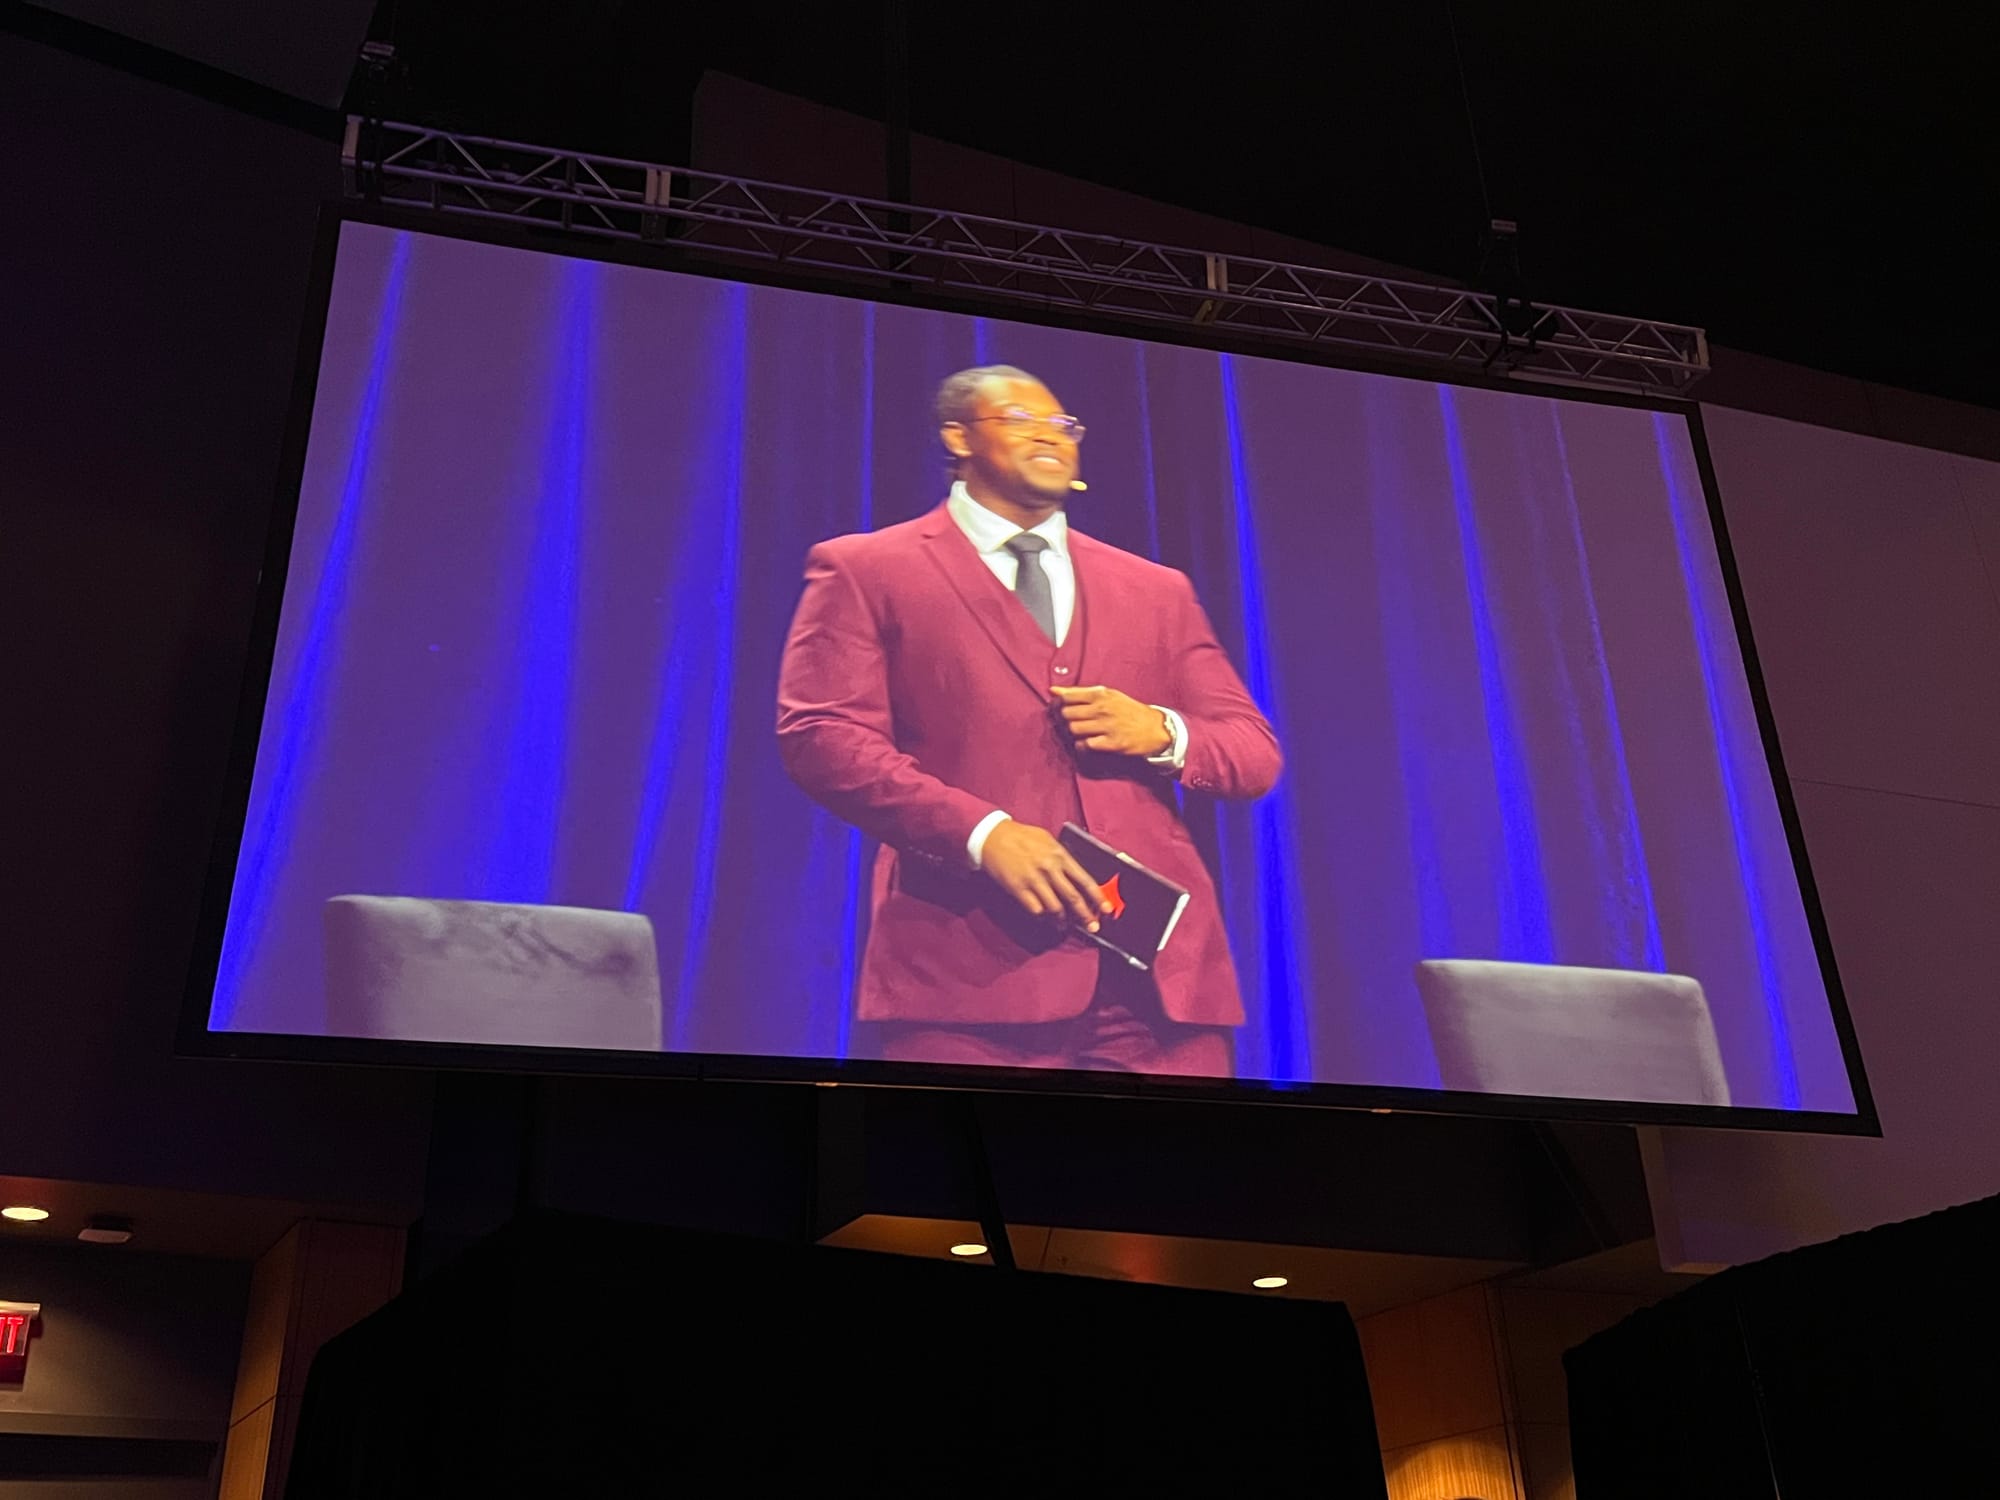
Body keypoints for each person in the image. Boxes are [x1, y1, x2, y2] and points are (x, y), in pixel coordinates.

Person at [776, 364, 1281, 1077]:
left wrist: (1162, 732)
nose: (1050, 436)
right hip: (968, 978)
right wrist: (984, 834)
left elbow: (1252, 753)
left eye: (1063, 425)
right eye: (1020, 419)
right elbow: (824, 738)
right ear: (957, 437)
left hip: (1160, 995)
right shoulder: (866, 569)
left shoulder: (1155, 589)